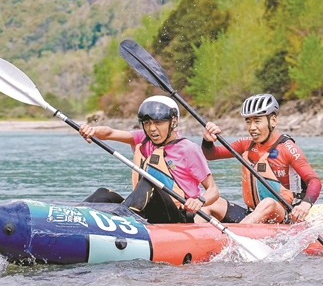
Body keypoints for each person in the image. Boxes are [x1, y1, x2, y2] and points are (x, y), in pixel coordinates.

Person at [78, 96, 220, 224]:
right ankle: (76, 218)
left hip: (177, 216)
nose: (152, 128)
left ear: (174, 121)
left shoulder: (189, 149)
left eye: (158, 122)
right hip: (143, 213)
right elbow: (110, 133)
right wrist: (92, 131)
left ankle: (122, 219)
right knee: (104, 194)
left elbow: (213, 190)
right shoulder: (144, 139)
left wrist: (200, 201)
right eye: (147, 123)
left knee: (150, 181)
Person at [200, 93, 322, 224]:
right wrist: (207, 141)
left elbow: (314, 181)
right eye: (248, 121)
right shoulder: (246, 144)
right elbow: (212, 154)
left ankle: (236, 234)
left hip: (284, 218)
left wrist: (305, 204)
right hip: (253, 214)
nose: (252, 127)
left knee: (268, 203)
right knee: (208, 202)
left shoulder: (288, 148)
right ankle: (194, 234)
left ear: (273, 121)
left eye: (257, 121)